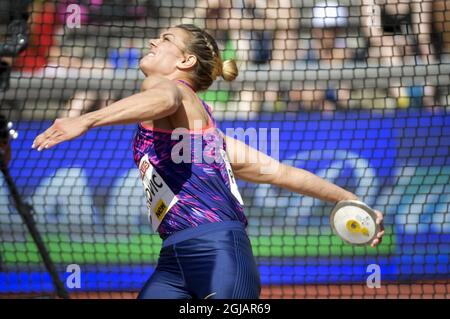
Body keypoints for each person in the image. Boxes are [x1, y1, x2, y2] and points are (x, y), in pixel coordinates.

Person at [32, 24, 385, 299]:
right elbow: (280, 173)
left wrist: (87, 119)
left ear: (185, 62)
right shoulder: (204, 138)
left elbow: (165, 97)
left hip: (219, 254)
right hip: (174, 261)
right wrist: (347, 198)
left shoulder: (174, 92)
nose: (154, 41)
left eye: (166, 38)